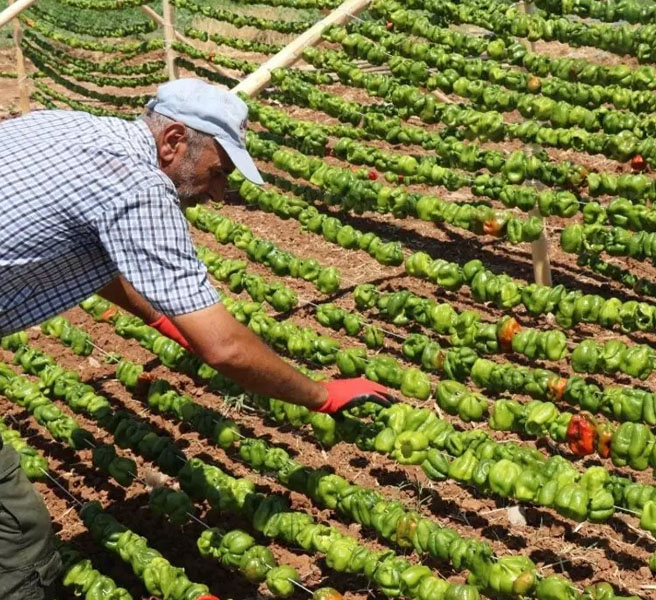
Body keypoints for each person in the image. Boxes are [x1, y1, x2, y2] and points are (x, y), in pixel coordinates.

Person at [0, 79, 392, 599]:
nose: (219, 191)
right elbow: (224, 348)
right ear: (175, 141)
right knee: (19, 530)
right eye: (218, 171)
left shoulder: (68, 126)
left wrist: (165, 319)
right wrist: (321, 396)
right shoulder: (139, 187)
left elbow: (92, 258)